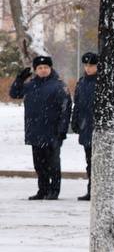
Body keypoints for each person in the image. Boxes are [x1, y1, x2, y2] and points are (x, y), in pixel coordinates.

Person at [9, 54, 70, 200]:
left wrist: (62, 130)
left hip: (53, 132)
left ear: (50, 68)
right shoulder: (30, 85)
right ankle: (43, 190)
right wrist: (19, 79)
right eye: (40, 68)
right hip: (35, 131)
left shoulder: (58, 86)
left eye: (46, 67)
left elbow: (66, 109)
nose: (43, 70)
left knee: (53, 164)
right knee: (39, 165)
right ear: (36, 70)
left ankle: (54, 191)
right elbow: (14, 93)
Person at [70, 52, 97, 200]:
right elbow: (78, 104)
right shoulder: (82, 82)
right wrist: (75, 121)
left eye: (91, 65)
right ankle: (91, 189)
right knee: (90, 162)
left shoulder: (102, 82)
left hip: (98, 128)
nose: (88, 68)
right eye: (86, 65)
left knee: (98, 163)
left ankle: (97, 190)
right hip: (86, 127)